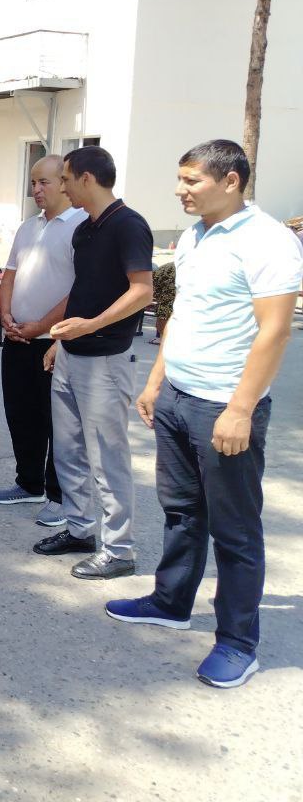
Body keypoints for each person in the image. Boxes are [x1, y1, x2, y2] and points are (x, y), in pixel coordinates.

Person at [109, 140, 303, 688]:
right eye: (181, 179)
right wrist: (155, 383)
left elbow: (275, 330)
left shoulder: (269, 241)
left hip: (225, 405)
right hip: (176, 396)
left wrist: (240, 408)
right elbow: (182, 315)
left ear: (232, 180)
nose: (180, 190)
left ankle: (239, 642)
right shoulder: (196, 236)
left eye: (192, 181)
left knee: (235, 532)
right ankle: (171, 602)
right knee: (181, 511)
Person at [35, 146, 153, 579]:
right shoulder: (85, 230)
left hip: (106, 359)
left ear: (86, 178)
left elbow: (142, 291)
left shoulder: (129, 225)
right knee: (68, 453)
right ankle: (81, 530)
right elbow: (84, 289)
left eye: (65, 178)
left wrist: (91, 326)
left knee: (107, 458)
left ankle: (119, 550)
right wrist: (61, 340)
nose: (61, 186)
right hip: (71, 354)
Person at [0, 155, 87, 527]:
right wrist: (7, 316)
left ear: (64, 182)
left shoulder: (80, 226)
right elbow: (10, 274)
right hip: (17, 337)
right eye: (32, 183)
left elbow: (81, 290)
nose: (35, 190)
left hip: (54, 341)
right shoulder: (28, 227)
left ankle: (60, 496)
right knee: (21, 414)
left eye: (43, 182)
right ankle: (28, 483)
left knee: (58, 423)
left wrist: (40, 326)